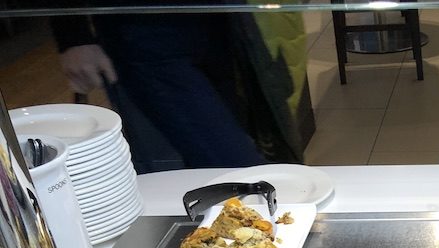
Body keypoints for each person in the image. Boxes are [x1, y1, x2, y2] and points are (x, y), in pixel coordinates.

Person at [51, 1, 312, 173]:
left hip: (227, 22)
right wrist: (72, 34)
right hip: (141, 29)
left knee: (239, 154)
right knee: (237, 165)